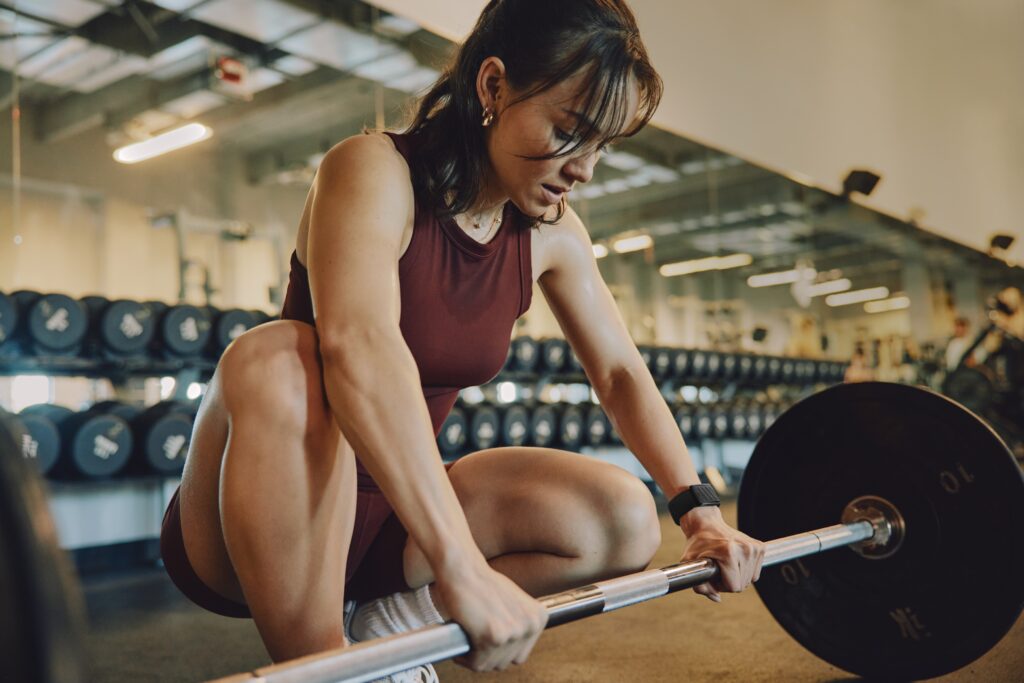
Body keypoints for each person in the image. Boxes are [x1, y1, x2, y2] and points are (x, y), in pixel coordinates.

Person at [159, 0, 765, 678]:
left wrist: (699, 512)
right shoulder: (372, 170)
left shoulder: (553, 235)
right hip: (262, 520)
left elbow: (621, 373)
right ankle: (333, 662)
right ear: (493, 86)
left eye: (602, 146)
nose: (586, 168)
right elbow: (359, 345)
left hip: (399, 516)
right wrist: (460, 565)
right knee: (276, 356)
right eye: (571, 130)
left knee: (623, 514)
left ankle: (388, 630)